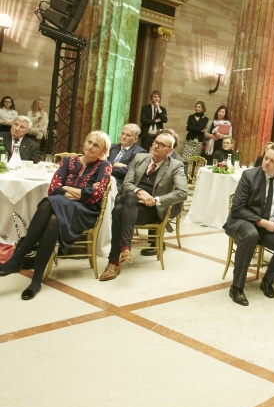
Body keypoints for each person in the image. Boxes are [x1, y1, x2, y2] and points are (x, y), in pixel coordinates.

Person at [0, 131, 112, 300]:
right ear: (84, 142)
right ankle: (36, 281)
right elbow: (53, 189)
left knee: (48, 203)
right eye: (89, 142)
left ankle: (17, 259)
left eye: (96, 145)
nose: (90, 146)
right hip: (63, 204)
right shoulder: (69, 161)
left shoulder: (104, 166)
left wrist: (67, 189)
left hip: (84, 212)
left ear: (103, 150)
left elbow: (94, 196)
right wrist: (80, 192)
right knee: (53, 218)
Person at [223, 143, 274, 306]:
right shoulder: (249, 176)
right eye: (266, 158)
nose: (266, 162)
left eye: (272, 161)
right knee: (251, 235)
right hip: (245, 221)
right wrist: (262, 222)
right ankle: (237, 287)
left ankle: (267, 280)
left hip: (272, 226)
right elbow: (237, 208)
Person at [99, 132, 187, 282]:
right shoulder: (140, 158)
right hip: (131, 202)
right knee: (126, 201)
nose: (156, 146)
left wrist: (156, 200)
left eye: (161, 145)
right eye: (155, 142)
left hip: (150, 210)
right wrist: (139, 191)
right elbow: (127, 183)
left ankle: (114, 262)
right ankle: (124, 250)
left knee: (120, 209)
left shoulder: (176, 165)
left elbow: (182, 192)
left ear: (170, 151)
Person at [107, 124, 147, 191]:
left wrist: (105, 168)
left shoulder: (140, 153)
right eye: (123, 134)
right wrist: (114, 164)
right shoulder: (111, 147)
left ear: (135, 139)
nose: (124, 137)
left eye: (128, 135)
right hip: (102, 180)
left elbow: (127, 171)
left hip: (119, 185)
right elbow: (99, 162)